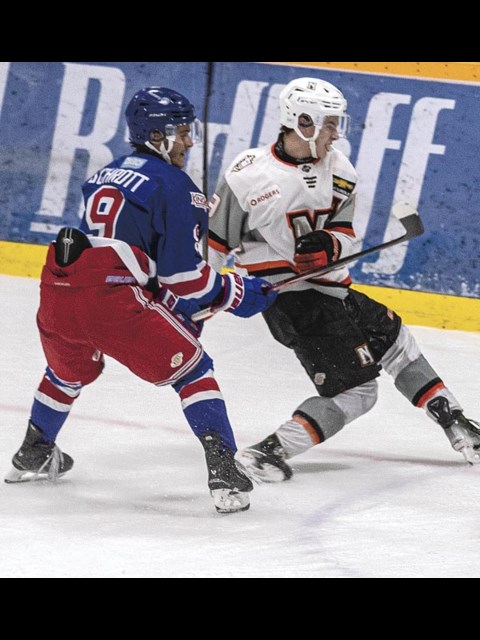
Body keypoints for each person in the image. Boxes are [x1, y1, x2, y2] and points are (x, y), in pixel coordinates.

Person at [205, 76, 480, 482]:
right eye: (327, 124)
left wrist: (328, 246)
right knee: (357, 392)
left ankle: (456, 421)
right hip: (293, 301)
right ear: (302, 122)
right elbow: (214, 247)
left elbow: (341, 231)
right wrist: (198, 298)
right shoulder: (246, 176)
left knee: (396, 340)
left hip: (334, 289)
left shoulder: (340, 168)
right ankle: (269, 451)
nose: (335, 134)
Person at [5, 87, 277, 514]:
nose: (189, 141)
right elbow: (186, 279)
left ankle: (33, 452)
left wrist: (175, 299)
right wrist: (236, 292)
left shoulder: (104, 174)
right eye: (182, 132)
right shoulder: (176, 186)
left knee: (65, 373)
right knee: (195, 370)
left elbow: (126, 255)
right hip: (110, 299)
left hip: (57, 288)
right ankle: (224, 471)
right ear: (156, 134)